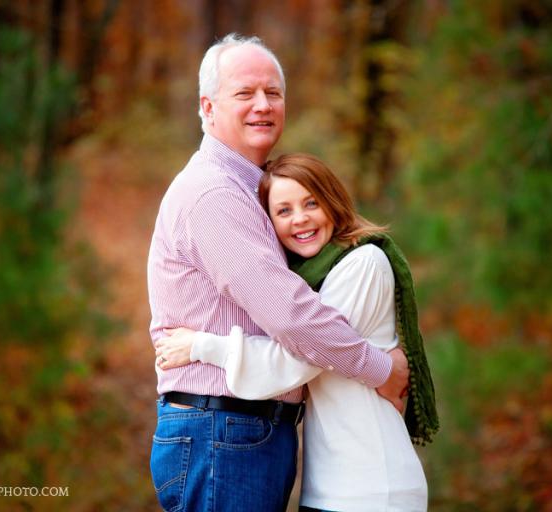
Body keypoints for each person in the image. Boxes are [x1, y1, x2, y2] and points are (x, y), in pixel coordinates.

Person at [146, 34, 411, 512]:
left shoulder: (255, 193)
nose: (262, 105)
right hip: (222, 432)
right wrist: (380, 370)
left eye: (273, 92)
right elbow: (288, 314)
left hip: (241, 432)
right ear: (207, 108)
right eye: (244, 94)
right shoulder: (216, 194)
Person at [156, 153, 439, 511]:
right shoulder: (309, 280)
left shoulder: (362, 263)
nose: (300, 219)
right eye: (284, 211)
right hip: (332, 482)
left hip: (371, 483)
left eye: (311, 203)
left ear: (333, 203)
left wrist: (203, 346)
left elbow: (299, 357)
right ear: (269, 224)